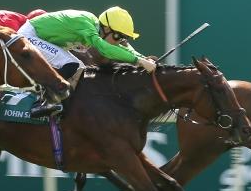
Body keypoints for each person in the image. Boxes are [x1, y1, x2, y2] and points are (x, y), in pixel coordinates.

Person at [17, 6, 157, 118]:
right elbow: (105, 49)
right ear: (106, 28)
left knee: (79, 68)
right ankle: (43, 103)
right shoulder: (85, 23)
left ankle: (58, 102)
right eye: (117, 36)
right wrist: (138, 60)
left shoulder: (96, 29)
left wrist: (143, 58)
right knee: (71, 65)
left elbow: (121, 48)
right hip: (28, 36)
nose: (118, 41)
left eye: (122, 38)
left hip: (40, 38)